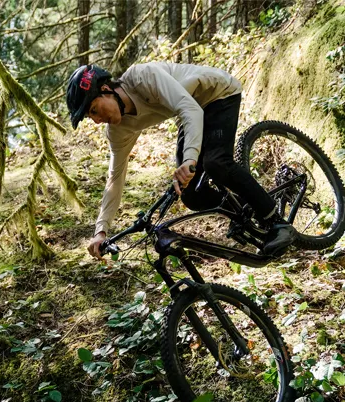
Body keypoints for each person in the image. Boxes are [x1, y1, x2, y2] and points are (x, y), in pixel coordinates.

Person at [66, 62, 294, 259]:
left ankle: (276, 222)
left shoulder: (142, 77)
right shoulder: (117, 130)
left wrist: (190, 159)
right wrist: (101, 231)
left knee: (216, 162)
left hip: (216, 94)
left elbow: (189, 109)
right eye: (91, 116)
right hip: (188, 113)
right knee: (191, 194)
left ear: (106, 89)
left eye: (94, 109)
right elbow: (115, 178)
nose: (96, 120)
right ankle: (246, 210)